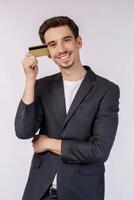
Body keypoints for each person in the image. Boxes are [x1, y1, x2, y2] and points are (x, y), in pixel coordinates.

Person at [14, 16, 120, 200]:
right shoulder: (42, 86)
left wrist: (47, 143)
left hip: (81, 193)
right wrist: (30, 80)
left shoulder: (106, 90)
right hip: (39, 192)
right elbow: (23, 131)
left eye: (67, 40)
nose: (61, 49)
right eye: (53, 44)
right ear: (48, 52)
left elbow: (100, 150)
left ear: (78, 41)